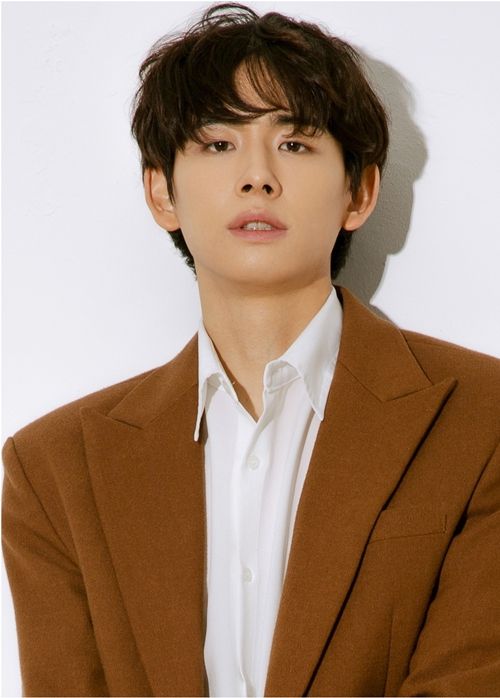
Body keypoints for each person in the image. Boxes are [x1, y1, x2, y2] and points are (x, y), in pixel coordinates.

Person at [2, 3, 500, 697]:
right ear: (161, 192)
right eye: (217, 144)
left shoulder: (483, 420)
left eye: (294, 144)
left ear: (359, 192)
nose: (257, 176)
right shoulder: (54, 470)